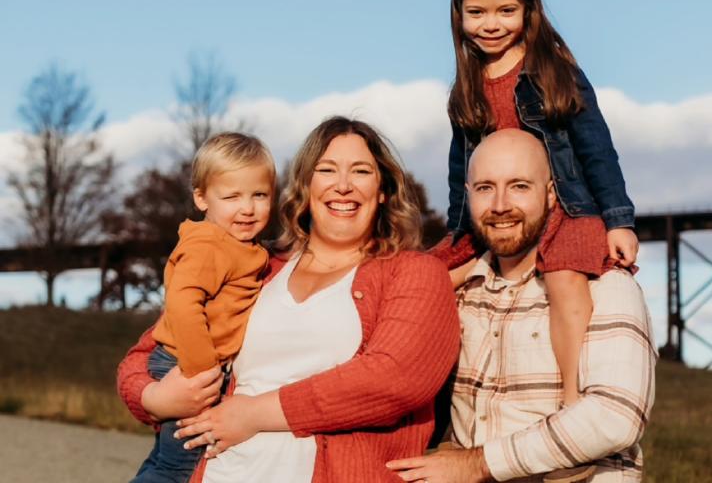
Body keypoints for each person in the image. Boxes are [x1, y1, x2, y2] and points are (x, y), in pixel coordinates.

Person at [117, 116, 461, 483]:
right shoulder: (257, 263)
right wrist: (154, 399)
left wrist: (251, 415)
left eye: (360, 171)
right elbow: (147, 353)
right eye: (326, 170)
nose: (343, 185)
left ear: (383, 189)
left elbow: (393, 380)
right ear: (305, 185)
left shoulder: (414, 273)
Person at [435, 0, 639, 418]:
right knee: (432, 278)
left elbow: (595, 144)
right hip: (497, 215)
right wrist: (457, 233)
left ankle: (572, 396)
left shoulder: (551, 67)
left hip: (564, 208)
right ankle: (442, 408)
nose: (491, 25)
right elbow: (460, 167)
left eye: (506, 10)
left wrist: (618, 219)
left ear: (529, 9)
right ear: (458, 15)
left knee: (566, 278)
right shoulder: (467, 85)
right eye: (477, 13)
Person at [388, 129, 656, 483]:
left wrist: (476, 464)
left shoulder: (603, 284)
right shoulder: (455, 293)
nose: (500, 205)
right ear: (467, 195)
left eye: (519, 186)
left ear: (550, 195)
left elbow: (616, 417)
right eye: (485, 188)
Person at [132, 131, 275, 483]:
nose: (247, 207)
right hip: (189, 366)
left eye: (260, 195)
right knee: (178, 470)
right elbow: (182, 305)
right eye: (231, 196)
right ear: (201, 198)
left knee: (164, 460)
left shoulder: (243, 246)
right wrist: (202, 370)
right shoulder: (209, 245)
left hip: (194, 364)